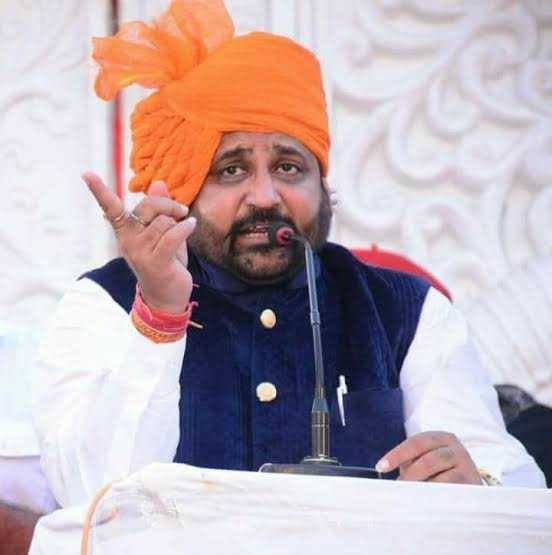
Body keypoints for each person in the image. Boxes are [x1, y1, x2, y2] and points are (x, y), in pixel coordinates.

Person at [31, 0, 544, 514]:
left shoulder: (406, 312)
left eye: (289, 167)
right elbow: (93, 501)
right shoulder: (104, 303)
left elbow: (518, 489)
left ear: (321, 184)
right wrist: (159, 318)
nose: (264, 197)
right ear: (185, 190)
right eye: (231, 170)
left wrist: (479, 485)